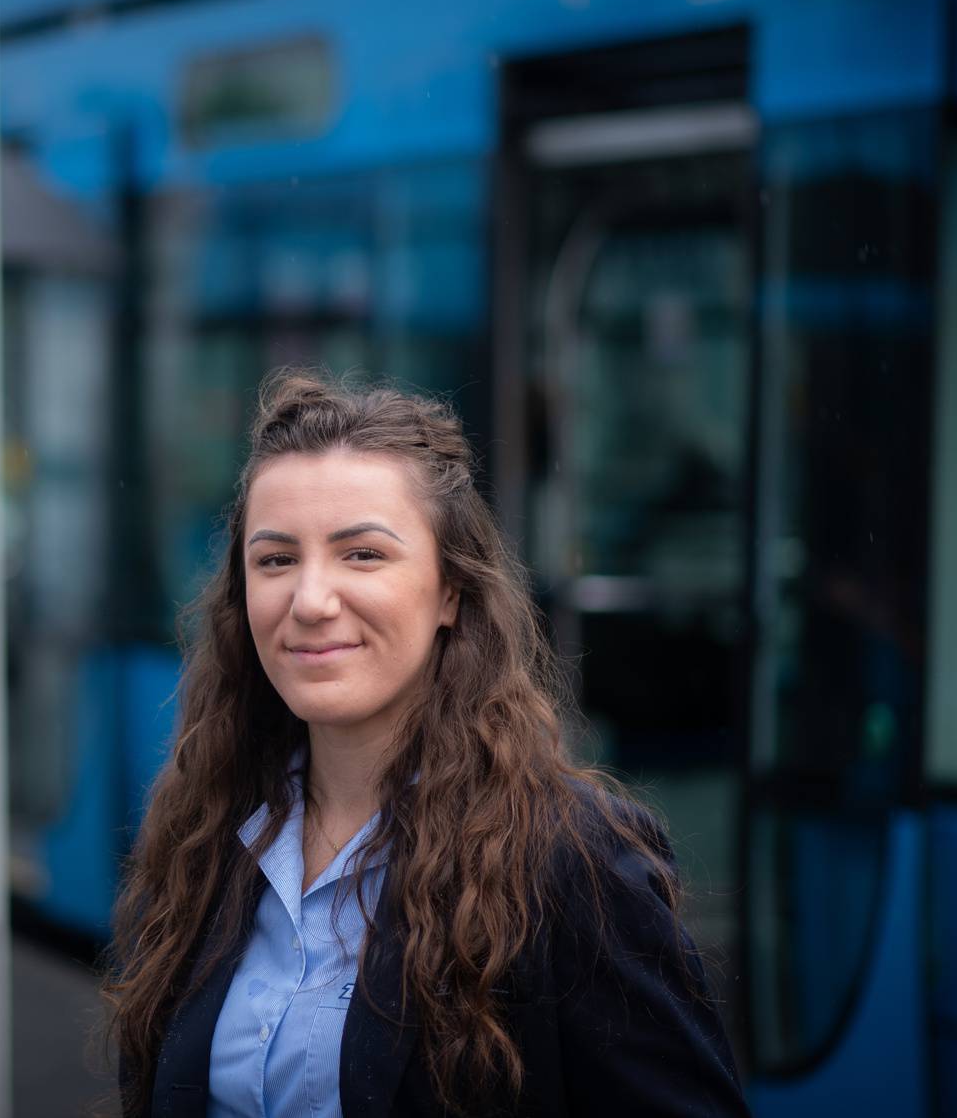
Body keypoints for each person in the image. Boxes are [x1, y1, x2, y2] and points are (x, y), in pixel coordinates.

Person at [106, 371, 748, 1117]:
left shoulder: (572, 863)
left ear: (450, 591)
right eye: (276, 560)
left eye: (363, 555)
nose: (311, 602)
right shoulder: (206, 832)